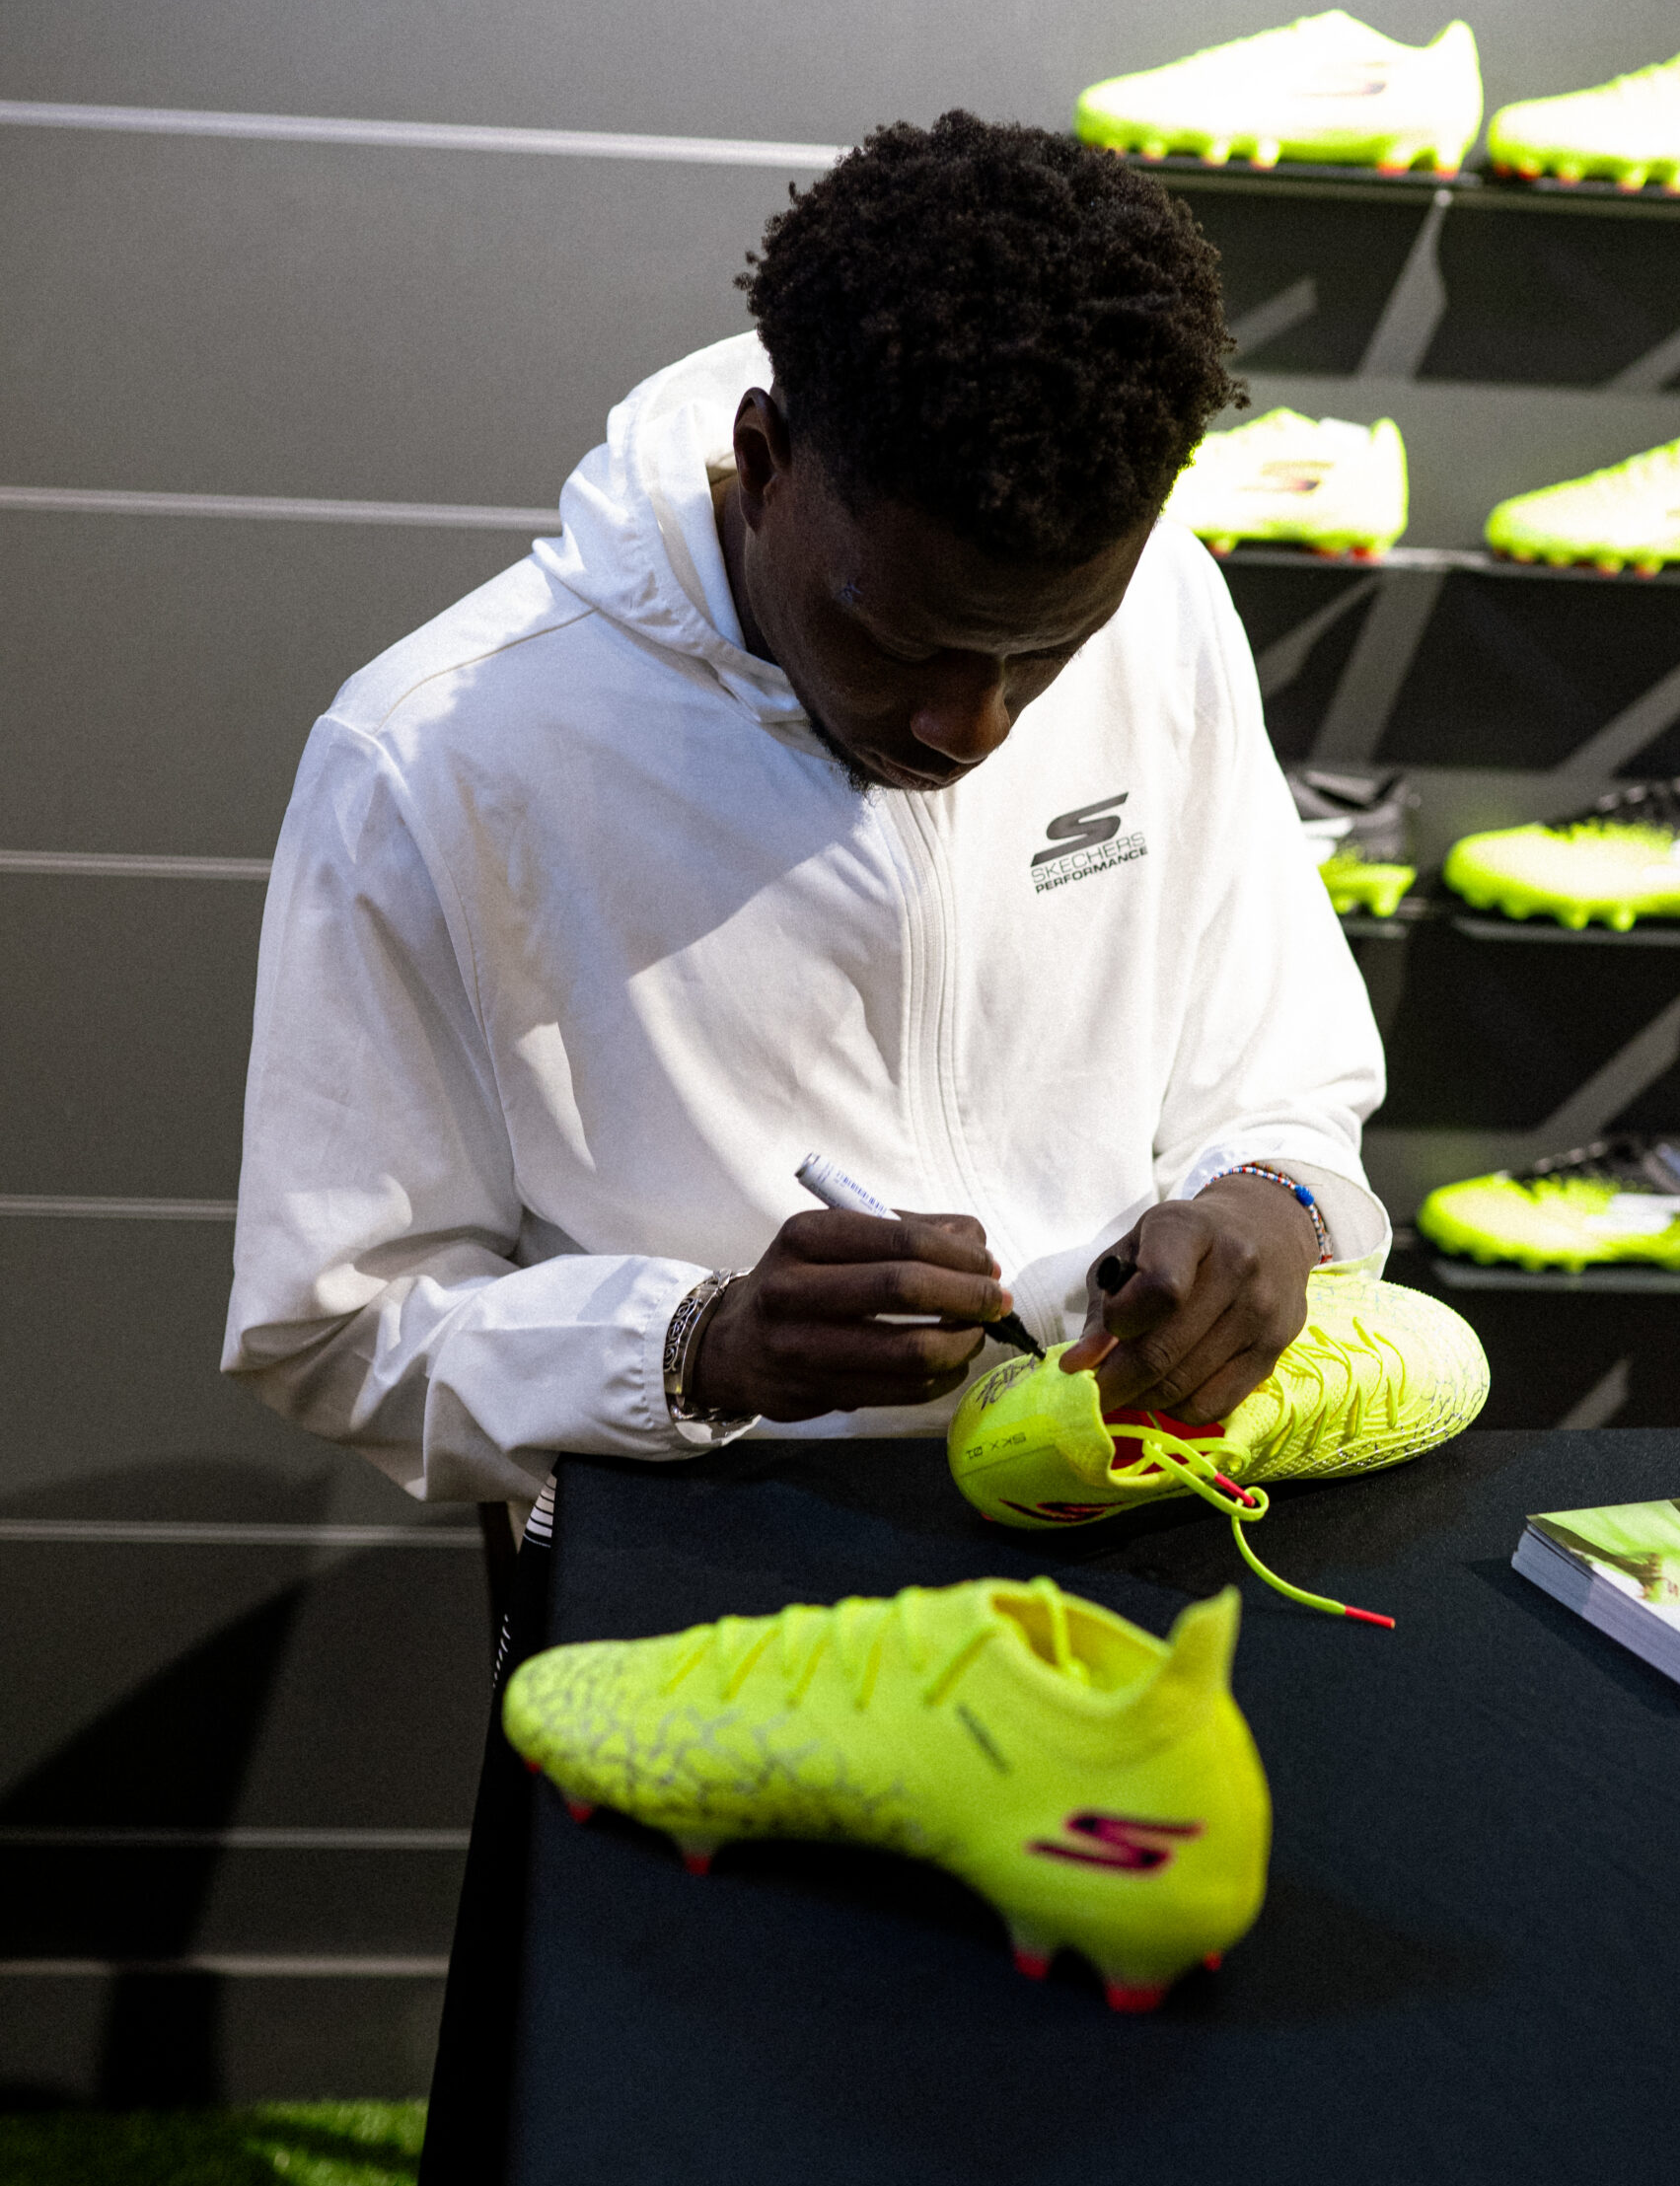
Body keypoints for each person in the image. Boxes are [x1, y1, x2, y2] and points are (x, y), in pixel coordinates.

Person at [223, 110, 1389, 1511]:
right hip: (716, 1561)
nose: (975, 726)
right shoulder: (435, 753)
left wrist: (1278, 1199)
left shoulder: (1172, 604)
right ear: (764, 463)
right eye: (901, 643)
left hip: (1137, 1503)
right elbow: (335, 1326)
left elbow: (1281, 1073)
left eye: (1046, 652)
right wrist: (696, 1348)